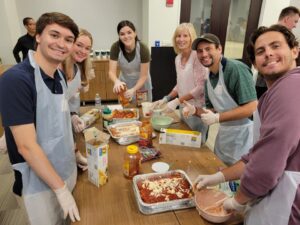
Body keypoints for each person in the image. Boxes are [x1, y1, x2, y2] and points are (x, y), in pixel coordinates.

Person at [194, 24, 300, 225]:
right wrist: (217, 177)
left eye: (275, 46)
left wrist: (238, 200)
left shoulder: (291, 86)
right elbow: (256, 157)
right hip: (270, 198)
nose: (268, 53)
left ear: (295, 50)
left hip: (287, 204)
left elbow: (265, 167)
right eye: (260, 51)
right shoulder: (275, 91)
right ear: (255, 62)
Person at [0, 12, 81, 224]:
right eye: (54, 35)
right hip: (36, 184)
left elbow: (57, 116)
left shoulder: (59, 74)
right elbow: (26, 146)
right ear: (38, 36)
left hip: (64, 169)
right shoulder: (16, 80)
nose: (61, 44)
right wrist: (61, 190)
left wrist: (71, 119)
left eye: (68, 39)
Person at [183, 33, 257, 165]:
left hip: (243, 137)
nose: (204, 54)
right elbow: (212, 111)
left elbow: (251, 108)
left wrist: (217, 118)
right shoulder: (208, 78)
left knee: (237, 178)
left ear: (219, 49)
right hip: (224, 135)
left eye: (208, 49)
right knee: (219, 169)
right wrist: (195, 110)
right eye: (200, 51)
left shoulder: (235, 69)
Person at [152, 23, 208, 143]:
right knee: (185, 141)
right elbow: (179, 84)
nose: (181, 39)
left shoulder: (197, 57)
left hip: (197, 109)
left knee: (197, 144)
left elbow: (200, 88)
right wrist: (166, 99)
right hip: (184, 108)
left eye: (185, 35)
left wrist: (177, 101)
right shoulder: (178, 58)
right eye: (178, 36)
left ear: (191, 37)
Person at [61, 28, 95, 171]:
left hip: (64, 117)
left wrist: (73, 115)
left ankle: (74, 154)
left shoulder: (77, 69)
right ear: (70, 43)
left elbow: (72, 99)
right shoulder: (58, 67)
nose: (83, 51)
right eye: (79, 45)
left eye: (87, 48)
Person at [256, 6, 300, 99]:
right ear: (287, 19)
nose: (295, 25)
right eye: (295, 21)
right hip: (266, 85)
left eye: (276, 46)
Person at [108, 20, 152, 102]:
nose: (126, 36)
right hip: (125, 84)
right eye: (122, 34)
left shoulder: (143, 48)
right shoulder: (115, 47)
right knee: (125, 110)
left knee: (143, 109)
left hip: (142, 84)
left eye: (129, 32)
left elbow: (143, 76)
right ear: (119, 36)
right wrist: (116, 81)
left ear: (135, 33)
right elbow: (111, 72)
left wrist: (133, 90)